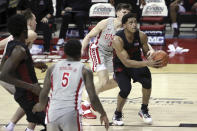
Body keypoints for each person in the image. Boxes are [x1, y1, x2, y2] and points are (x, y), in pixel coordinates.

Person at [32, 39, 109, 131]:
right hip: (70, 113)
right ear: (80, 52)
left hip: (52, 112)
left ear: (65, 51)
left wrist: (41, 105)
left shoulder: (53, 68)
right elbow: (92, 97)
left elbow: (44, 92)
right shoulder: (85, 70)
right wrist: (103, 113)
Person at [81, 3, 132, 119]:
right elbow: (89, 36)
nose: (126, 15)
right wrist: (81, 49)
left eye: (128, 13)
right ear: (117, 13)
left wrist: (151, 50)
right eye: (124, 12)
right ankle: (85, 105)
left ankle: (93, 98)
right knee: (103, 81)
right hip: (98, 50)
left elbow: (142, 39)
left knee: (120, 80)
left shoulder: (128, 27)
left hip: (111, 54)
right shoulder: (105, 22)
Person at [111, 13, 162, 126]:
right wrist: (148, 63)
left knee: (147, 81)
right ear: (124, 25)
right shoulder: (117, 39)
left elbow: (146, 53)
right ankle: (117, 114)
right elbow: (127, 62)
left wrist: (153, 57)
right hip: (122, 65)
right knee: (125, 89)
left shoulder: (142, 36)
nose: (134, 25)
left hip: (137, 61)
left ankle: (144, 110)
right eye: (131, 23)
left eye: (135, 22)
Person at [0, 14, 46, 131]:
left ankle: (12, 127)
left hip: (28, 94)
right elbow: (4, 75)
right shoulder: (19, 49)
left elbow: (5, 66)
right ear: (24, 30)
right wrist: (31, 87)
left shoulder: (14, 45)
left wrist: (33, 64)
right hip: (27, 95)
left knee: (52, 121)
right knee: (54, 122)